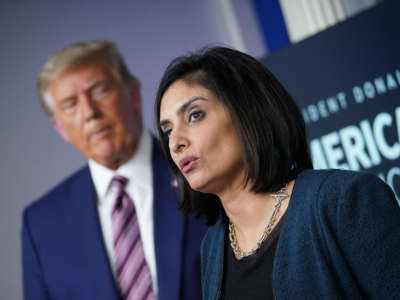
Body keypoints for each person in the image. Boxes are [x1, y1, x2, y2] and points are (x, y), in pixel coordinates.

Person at [154, 46, 400, 299]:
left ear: (246, 111)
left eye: (195, 115)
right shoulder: (213, 247)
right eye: (168, 130)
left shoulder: (343, 201)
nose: (176, 143)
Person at [22, 41, 206, 300]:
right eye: (70, 104)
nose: (90, 112)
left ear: (133, 96)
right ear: (60, 128)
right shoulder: (40, 223)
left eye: (99, 91)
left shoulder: (200, 170)